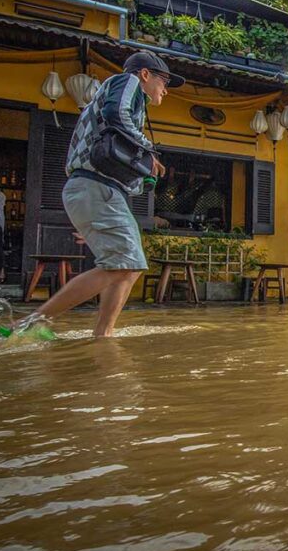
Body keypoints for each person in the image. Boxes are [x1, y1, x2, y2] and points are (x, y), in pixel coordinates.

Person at [11, 51, 182, 338]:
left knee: (131, 266)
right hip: (93, 188)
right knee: (124, 264)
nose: (165, 89)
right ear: (144, 74)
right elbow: (117, 113)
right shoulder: (127, 82)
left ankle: (103, 334)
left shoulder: (131, 106)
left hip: (100, 192)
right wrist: (147, 148)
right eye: (163, 80)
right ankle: (34, 321)